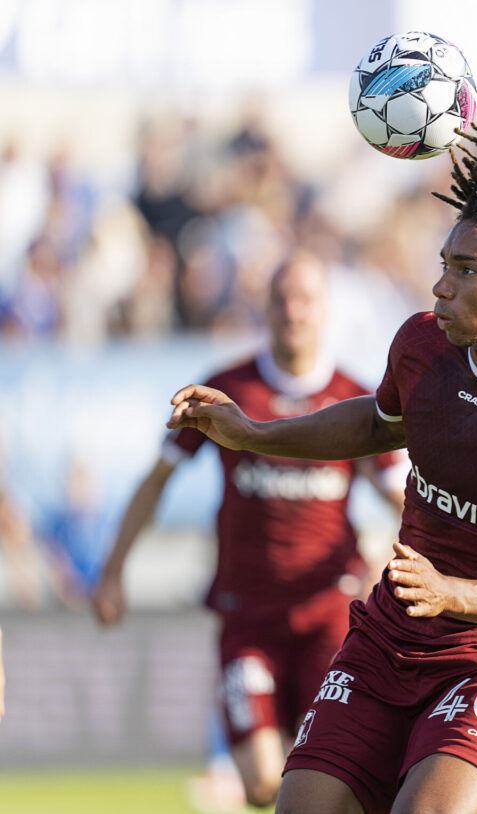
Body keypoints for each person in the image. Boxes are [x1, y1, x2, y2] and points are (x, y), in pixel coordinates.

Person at [165, 121, 477, 814]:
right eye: (444, 263)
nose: (442, 287)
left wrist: (453, 592)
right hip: (389, 638)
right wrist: (252, 433)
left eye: (468, 271)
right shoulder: (423, 343)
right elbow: (375, 423)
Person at [92, 251, 407, 808]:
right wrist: (113, 571)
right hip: (247, 616)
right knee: (264, 784)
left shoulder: (355, 398)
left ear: (324, 310)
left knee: (338, 778)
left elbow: (399, 497)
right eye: (282, 299)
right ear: (266, 307)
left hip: (328, 614)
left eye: (305, 300)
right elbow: (157, 479)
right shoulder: (226, 390)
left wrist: (418, 563)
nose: (293, 312)